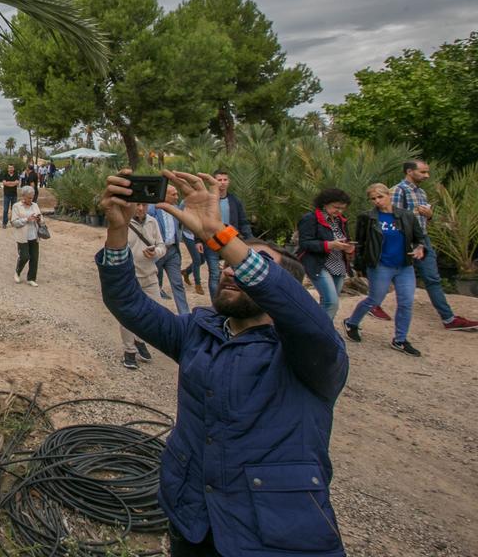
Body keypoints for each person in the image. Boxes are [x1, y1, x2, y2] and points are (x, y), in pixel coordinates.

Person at [98, 170, 348, 557]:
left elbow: (293, 305)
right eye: (227, 262)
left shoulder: (311, 351)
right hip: (193, 522)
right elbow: (128, 303)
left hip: (275, 538)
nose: (229, 269)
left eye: (245, 262)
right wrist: (117, 230)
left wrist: (218, 233)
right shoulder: (199, 331)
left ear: (283, 289)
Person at [386, 160, 478, 331]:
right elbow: (393, 219)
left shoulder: (421, 192)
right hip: (405, 240)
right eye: (422, 172)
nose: (427, 176)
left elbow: (423, 220)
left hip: (422, 238)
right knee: (388, 274)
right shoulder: (398, 190)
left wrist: (429, 215)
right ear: (409, 171)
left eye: (427, 172)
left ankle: (448, 319)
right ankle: (371, 306)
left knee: (432, 278)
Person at [343, 183, 427, 355]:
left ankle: (400, 340)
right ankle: (351, 322)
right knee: (374, 300)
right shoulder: (367, 218)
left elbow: (420, 237)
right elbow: (361, 242)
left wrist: (420, 247)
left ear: (389, 195)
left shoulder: (406, 216)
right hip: (380, 265)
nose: (377, 201)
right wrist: (359, 264)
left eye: (380, 197)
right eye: (373, 199)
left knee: (406, 302)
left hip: (404, 266)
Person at [297, 188, 353, 320]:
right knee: (331, 302)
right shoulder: (311, 219)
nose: (339, 211)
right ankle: (322, 330)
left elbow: (345, 238)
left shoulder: (341, 220)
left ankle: (317, 326)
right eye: (336, 207)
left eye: (342, 208)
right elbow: (304, 243)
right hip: (318, 264)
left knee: (328, 301)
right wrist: (329, 245)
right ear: (324, 203)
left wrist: (348, 248)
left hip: (338, 264)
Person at [122, 203, 164, 369]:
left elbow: (161, 245)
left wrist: (156, 252)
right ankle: (129, 351)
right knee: (127, 314)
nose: (140, 208)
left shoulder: (152, 222)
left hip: (150, 275)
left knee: (155, 311)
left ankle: (139, 339)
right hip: (130, 276)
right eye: (137, 204)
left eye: (144, 205)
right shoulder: (123, 222)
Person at [205, 169, 253, 298]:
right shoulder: (208, 201)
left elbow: (243, 221)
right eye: (219, 180)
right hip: (211, 240)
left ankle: (230, 298)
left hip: (231, 241)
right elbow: (201, 221)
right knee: (215, 274)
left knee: (234, 272)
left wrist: (250, 239)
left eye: (225, 180)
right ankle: (216, 303)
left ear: (229, 182)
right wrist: (198, 240)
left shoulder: (235, 201)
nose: (222, 182)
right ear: (214, 182)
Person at [150, 185, 190, 314]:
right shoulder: (152, 209)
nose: (176, 197)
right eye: (173, 194)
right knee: (155, 285)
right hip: (157, 252)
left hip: (172, 252)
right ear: (164, 194)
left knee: (178, 284)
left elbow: (181, 227)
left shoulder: (176, 210)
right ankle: (156, 315)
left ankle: (185, 315)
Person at [10, 186, 42, 287]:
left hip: (34, 235)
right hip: (22, 236)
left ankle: (31, 279)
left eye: (32, 197)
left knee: (34, 258)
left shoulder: (35, 205)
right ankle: (17, 272)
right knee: (24, 256)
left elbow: (42, 219)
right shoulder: (16, 206)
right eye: (29, 197)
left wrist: (39, 219)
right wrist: (27, 219)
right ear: (23, 196)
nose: (31, 199)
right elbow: (14, 222)